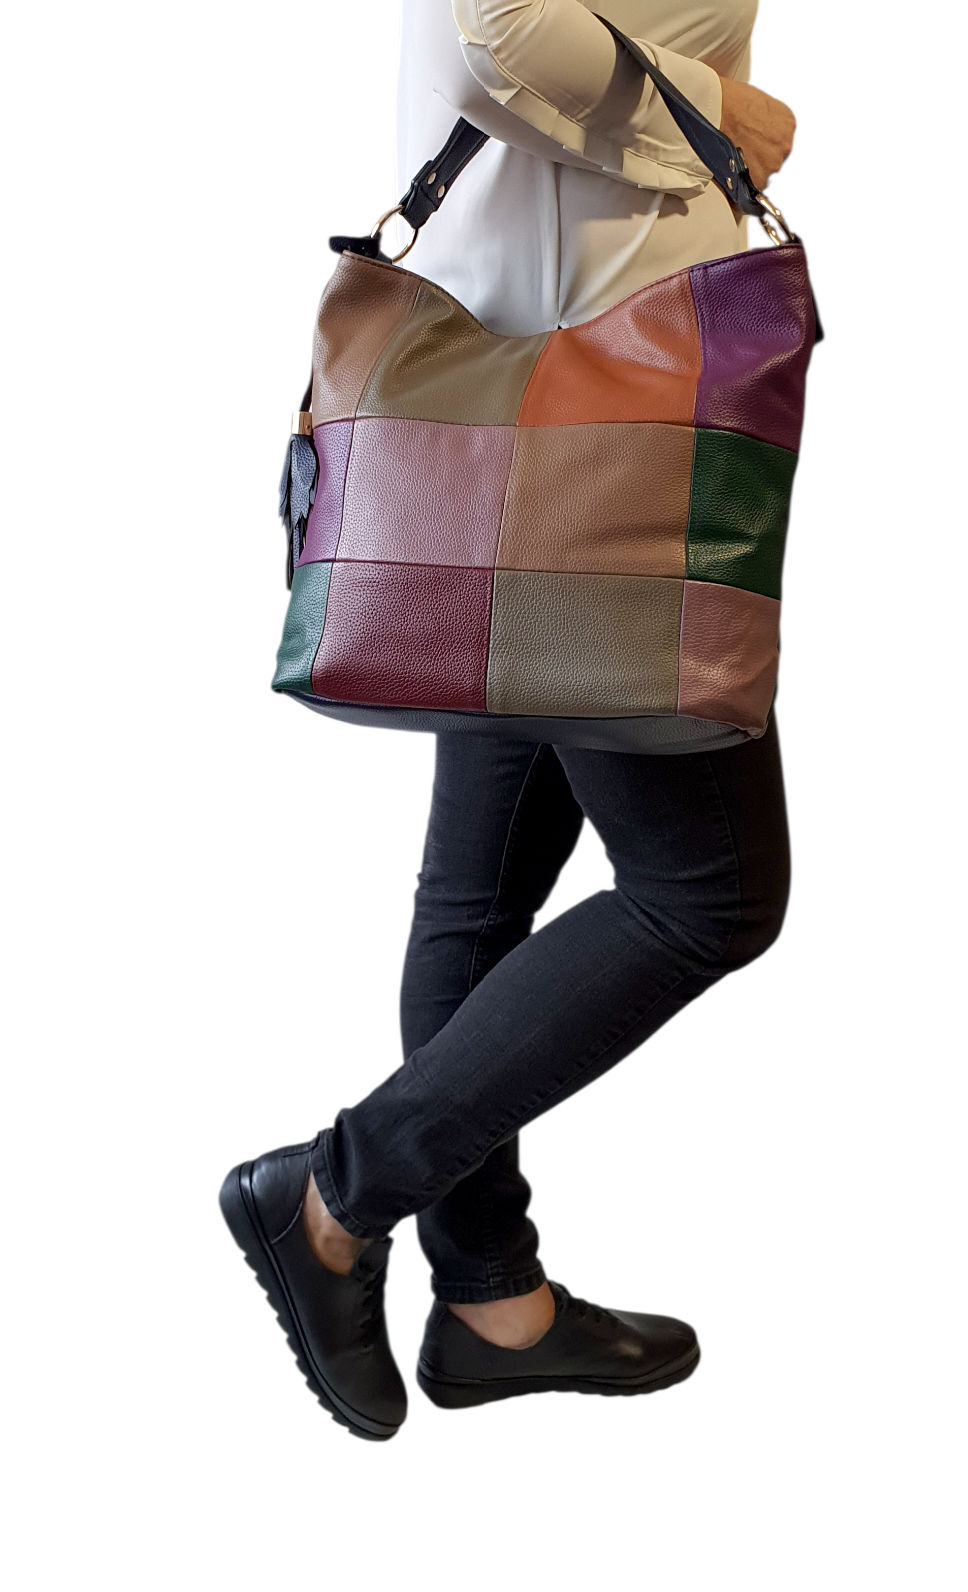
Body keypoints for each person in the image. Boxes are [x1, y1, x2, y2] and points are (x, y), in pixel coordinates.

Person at [220, 0, 796, 1441]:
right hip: (610, 398)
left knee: (476, 906)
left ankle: (491, 1305)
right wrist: (718, 117)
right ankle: (334, 1195)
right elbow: (502, 35)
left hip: (511, 384)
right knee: (709, 896)